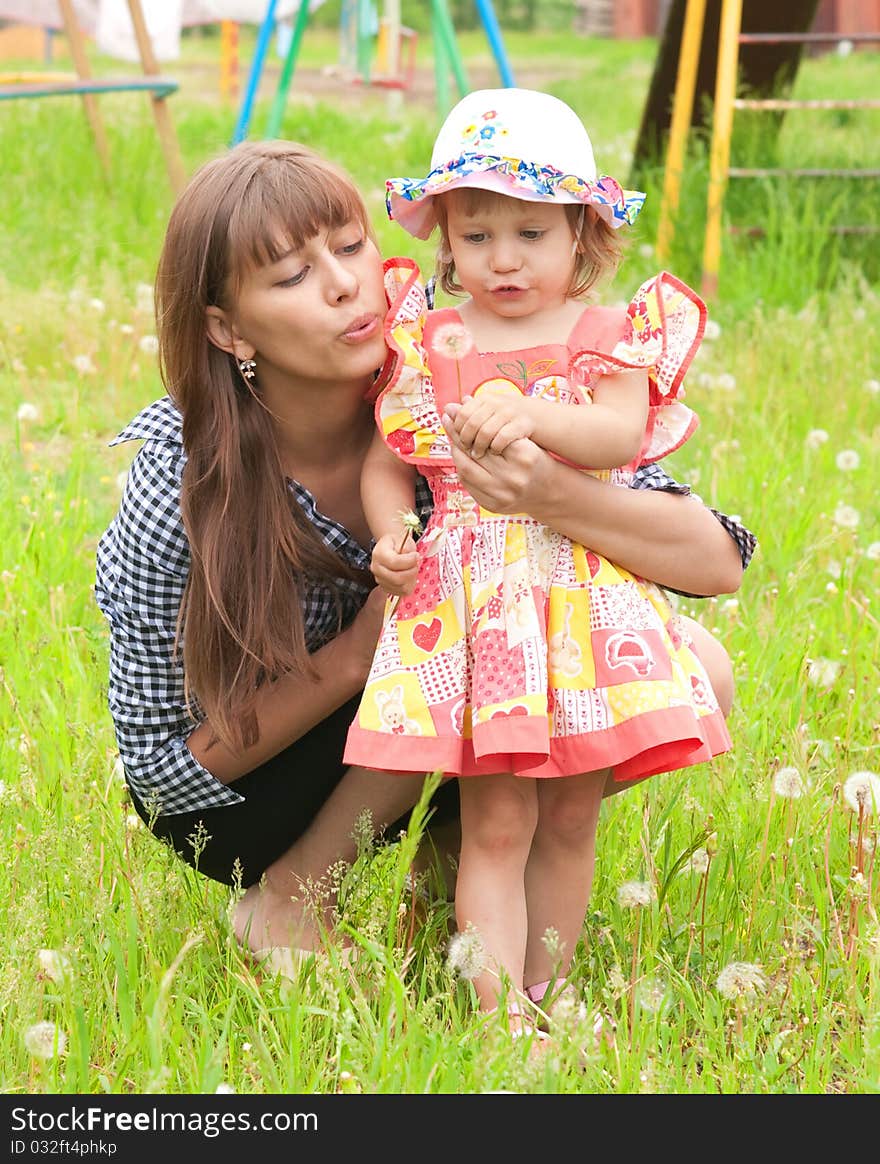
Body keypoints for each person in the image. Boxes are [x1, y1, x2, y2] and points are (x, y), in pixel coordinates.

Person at [93, 138, 755, 985]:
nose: (341, 285)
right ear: (227, 328)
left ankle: (458, 867)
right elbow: (160, 772)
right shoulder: (181, 481)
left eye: (350, 246)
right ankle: (291, 897)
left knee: (694, 665)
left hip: (433, 718)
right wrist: (357, 654)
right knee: (443, 646)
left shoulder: (455, 378)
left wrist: (544, 492)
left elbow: (714, 559)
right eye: (291, 278)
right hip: (246, 800)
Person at [343, 88, 746, 1032]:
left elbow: (616, 436)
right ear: (445, 236)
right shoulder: (433, 344)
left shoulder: (605, 339)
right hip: (477, 610)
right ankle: (497, 1019)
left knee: (568, 817)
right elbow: (387, 460)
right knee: (496, 819)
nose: (504, 259)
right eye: (476, 236)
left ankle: (550, 992)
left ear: (582, 236)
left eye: (531, 232)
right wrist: (388, 534)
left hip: (578, 603)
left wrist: (530, 413)